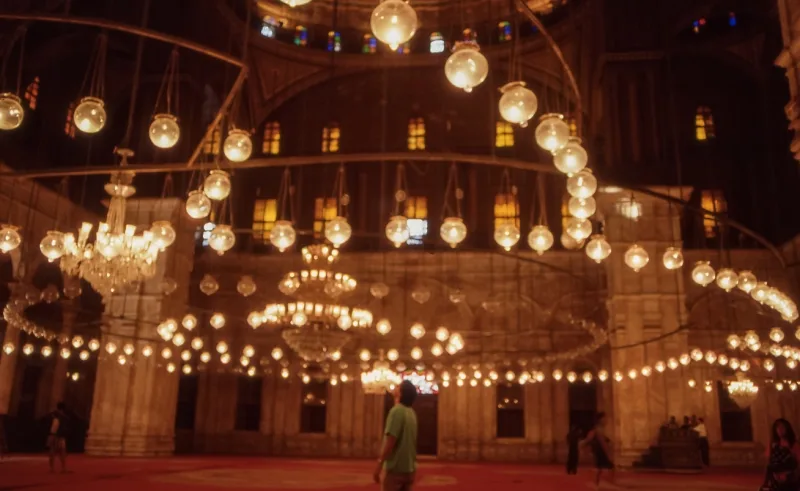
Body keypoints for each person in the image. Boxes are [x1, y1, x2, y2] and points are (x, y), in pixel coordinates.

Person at [374, 380, 418, 491]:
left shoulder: (396, 411)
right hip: (409, 468)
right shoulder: (411, 413)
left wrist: (379, 464)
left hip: (395, 469)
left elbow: (391, 441)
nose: (395, 387)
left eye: (398, 386)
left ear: (401, 393)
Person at [761, 418, 800, 491]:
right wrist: (766, 480)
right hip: (774, 479)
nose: (780, 430)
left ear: (787, 428)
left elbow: (798, 463)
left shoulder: (793, 444)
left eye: (782, 427)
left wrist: (790, 475)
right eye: (778, 427)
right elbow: (768, 462)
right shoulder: (772, 444)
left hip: (789, 479)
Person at [582, 412, 615, 488]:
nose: (606, 420)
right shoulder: (598, 430)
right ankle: (603, 483)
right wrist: (608, 454)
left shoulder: (597, 429)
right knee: (608, 468)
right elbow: (602, 443)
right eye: (604, 418)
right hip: (601, 452)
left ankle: (597, 483)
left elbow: (588, 439)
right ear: (600, 419)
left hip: (599, 451)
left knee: (600, 469)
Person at [48, 402, 69, 473]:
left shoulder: (54, 415)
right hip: (59, 436)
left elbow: (54, 426)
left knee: (53, 451)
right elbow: (56, 425)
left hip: (55, 435)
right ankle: (63, 468)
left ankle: (52, 468)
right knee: (61, 452)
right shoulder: (62, 417)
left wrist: (52, 435)